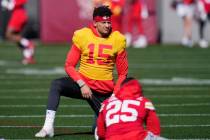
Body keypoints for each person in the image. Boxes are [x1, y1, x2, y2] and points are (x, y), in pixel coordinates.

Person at [35, 5, 128, 138]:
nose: (107, 25)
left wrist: (115, 95)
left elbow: (123, 73)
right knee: (57, 84)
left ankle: (100, 119)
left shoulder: (118, 39)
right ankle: (48, 127)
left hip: (103, 92)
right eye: (104, 22)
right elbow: (69, 65)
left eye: (109, 22)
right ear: (95, 23)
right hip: (84, 85)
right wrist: (82, 84)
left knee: (101, 131)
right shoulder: (83, 35)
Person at [96, 77, 167, 140]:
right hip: (137, 136)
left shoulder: (106, 103)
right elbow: (154, 129)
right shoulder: (144, 102)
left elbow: (101, 132)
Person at [1, 0, 35, 64]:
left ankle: (28, 43)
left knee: (9, 34)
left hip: (18, 16)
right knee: (17, 38)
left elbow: (11, 6)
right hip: (17, 15)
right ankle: (28, 58)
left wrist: (5, 4)